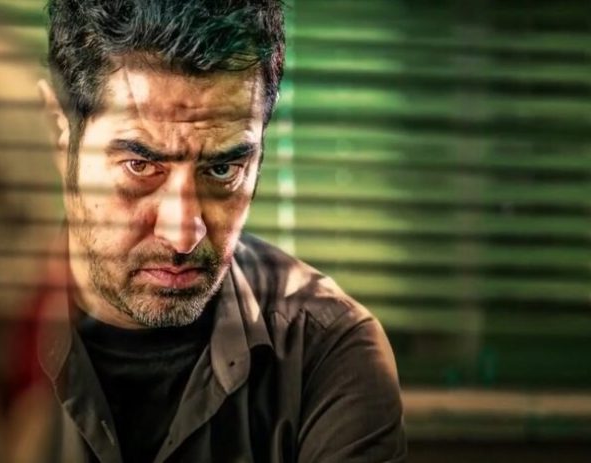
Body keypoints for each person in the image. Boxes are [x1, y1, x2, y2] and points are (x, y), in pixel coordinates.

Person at [32, 0, 407, 461]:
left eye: (223, 169)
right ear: (58, 131)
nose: (183, 235)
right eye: (140, 165)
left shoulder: (327, 353)